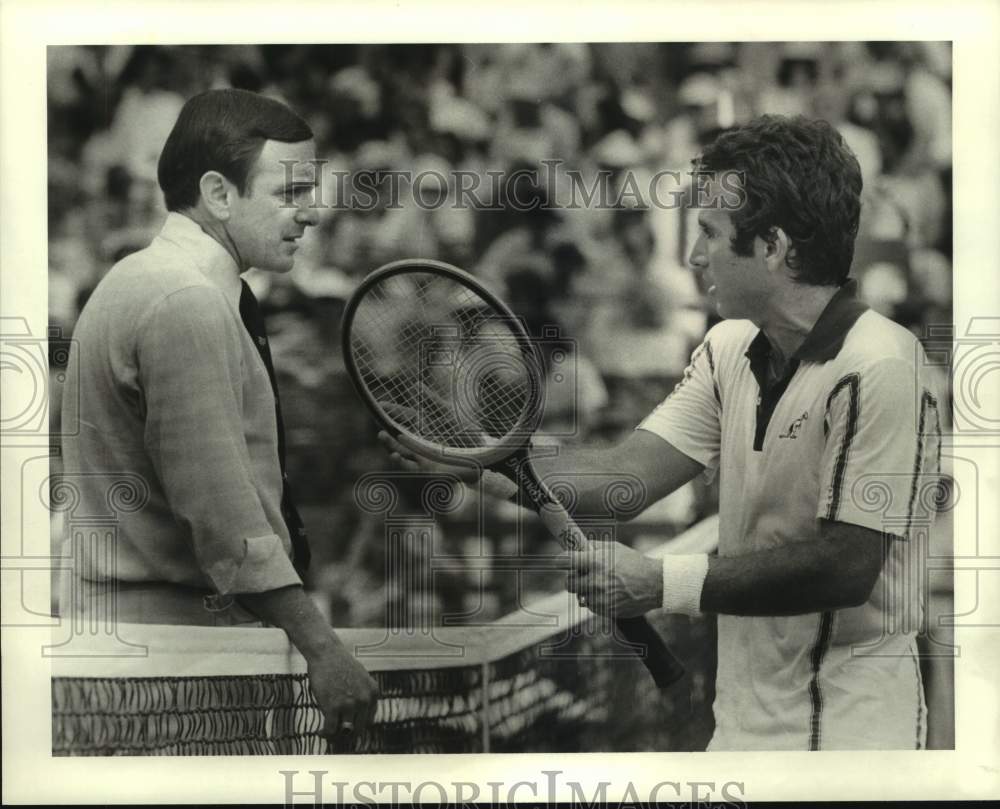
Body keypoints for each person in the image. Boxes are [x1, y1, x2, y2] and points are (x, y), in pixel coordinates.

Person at [382, 115, 943, 750]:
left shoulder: (883, 366)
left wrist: (660, 582)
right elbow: (624, 479)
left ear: (773, 247)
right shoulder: (728, 347)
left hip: (854, 747)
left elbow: (848, 567)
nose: (693, 255)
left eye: (710, 233)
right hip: (740, 733)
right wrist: (477, 467)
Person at [60, 88, 378, 745]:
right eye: (290, 192)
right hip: (173, 665)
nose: (311, 213)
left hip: (147, 654)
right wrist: (322, 645)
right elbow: (225, 520)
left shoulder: (144, 278)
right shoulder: (186, 301)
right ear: (219, 193)